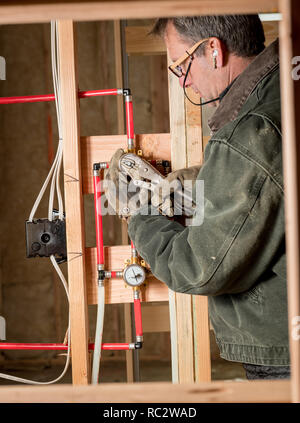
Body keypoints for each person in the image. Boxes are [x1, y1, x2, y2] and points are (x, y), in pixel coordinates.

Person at [104, 15, 290, 380]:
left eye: (181, 66)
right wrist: (208, 179)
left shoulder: (250, 134)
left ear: (213, 50)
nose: (184, 81)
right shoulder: (285, 82)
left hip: (287, 354)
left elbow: (198, 268)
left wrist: (137, 211)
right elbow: (271, 192)